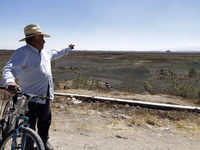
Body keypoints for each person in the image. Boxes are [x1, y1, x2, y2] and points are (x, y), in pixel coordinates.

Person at [1, 24, 75, 150]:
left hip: (44, 96)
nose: (44, 40)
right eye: (42, 37)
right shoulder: (22, 53)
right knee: (29, 126)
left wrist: (68, 48)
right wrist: (10, 82)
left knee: (45, 122)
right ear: (35, 38)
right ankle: (29, 148)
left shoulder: (45, 52)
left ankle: (44, 143)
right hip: (30, 99)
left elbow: (58, 52)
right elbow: (9, 69)